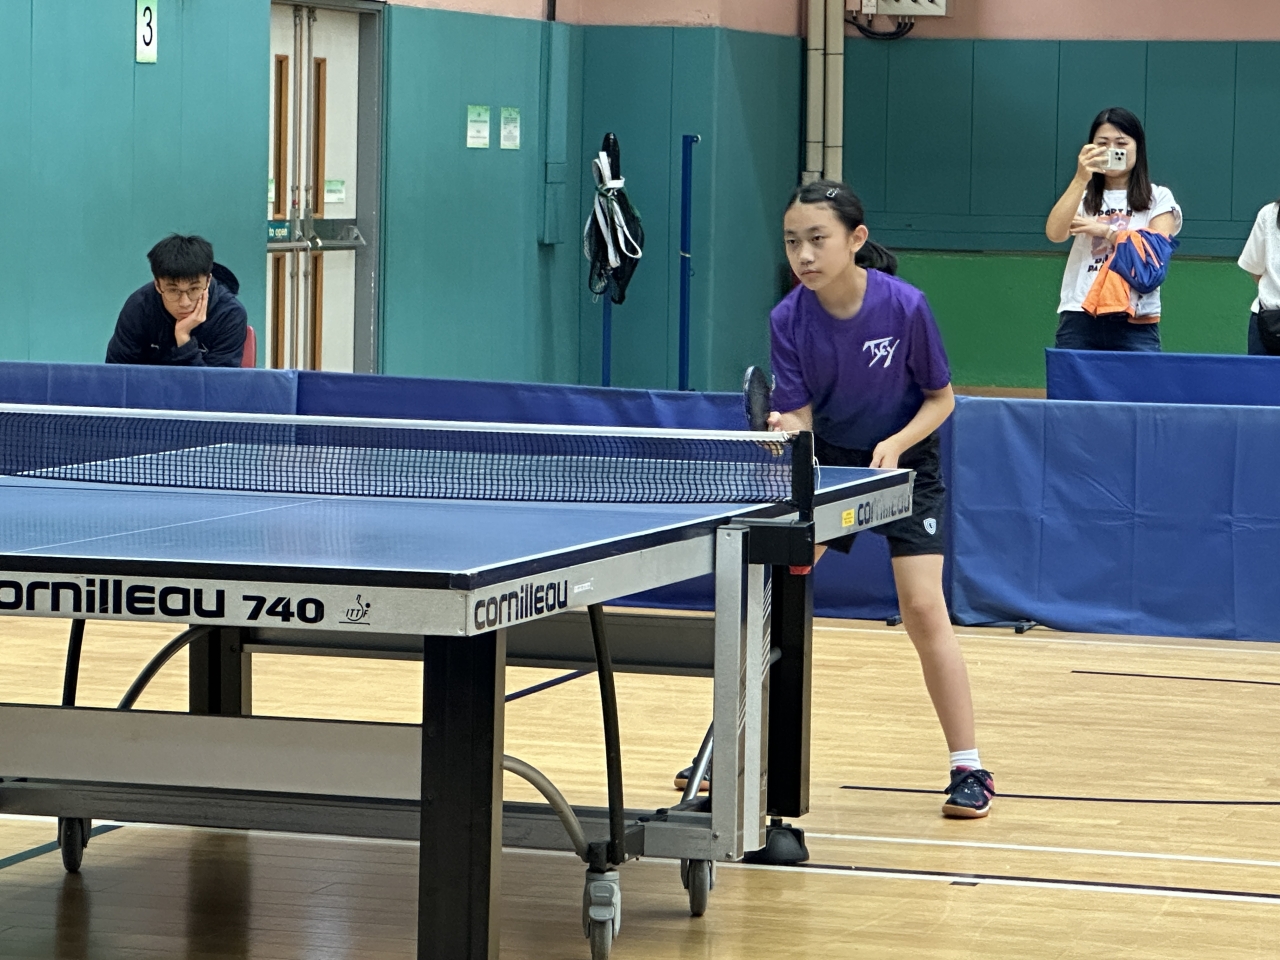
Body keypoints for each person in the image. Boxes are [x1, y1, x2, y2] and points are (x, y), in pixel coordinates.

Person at [771, 179, 991, 818]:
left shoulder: (905, 307)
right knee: (770, 600)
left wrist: (895, 444)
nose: (804, 255)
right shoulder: (788, 319)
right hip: (832, 467)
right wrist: (788, 432)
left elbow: (941, 399)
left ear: (855, 239)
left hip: (907, 463)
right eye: (793, 241)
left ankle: (969, 768)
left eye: (818, 239)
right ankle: (727, 748)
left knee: (922, 607)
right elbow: (799, 413)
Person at [1045, 107, 1181, 351]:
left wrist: (1104, 231)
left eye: (1121, 143)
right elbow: (1055, 234)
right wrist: (1080, 178)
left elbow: (1153, 252)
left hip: (1136, 316)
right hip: (1080, 312)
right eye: (1102, 143)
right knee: (1070, 378)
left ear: (1138, 147)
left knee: (1140, 378)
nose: (1112, 150)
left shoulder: (1158, 197)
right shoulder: (1081, 195)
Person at [106, 234, 248, 367]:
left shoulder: (229, 314)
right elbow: (117, 375)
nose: (185, 303)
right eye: (173, 291)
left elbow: (216, 384)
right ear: (157, 285)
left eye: (194, 289)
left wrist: (183, 338)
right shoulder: (139, 307)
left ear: (208, 280)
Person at [1237, 197, 1280, 355]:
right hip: (1269, 324)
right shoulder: (1269, 214)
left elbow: (1255, 268)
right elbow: (1255, 267)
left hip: (1269, 319)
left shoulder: (1268, 213)